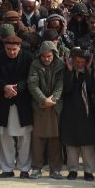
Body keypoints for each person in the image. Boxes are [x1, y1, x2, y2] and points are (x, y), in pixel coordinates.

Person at [0, 33, 34, 178]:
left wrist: (16, 88)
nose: (11, 52)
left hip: (22, 102)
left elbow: (30, 77)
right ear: (4, 47)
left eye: (14, 49)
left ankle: (24, 168)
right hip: (4, 100)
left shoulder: (28, 57)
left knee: (25, 137)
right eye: (8, 49)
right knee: (4, 136)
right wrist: (5, 87)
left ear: (19, 47)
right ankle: (7, 168)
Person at [27, 40, 64, 179]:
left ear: (54, 54)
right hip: (40, 106)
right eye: (44, 56)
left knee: (55, 139)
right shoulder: (34, 65)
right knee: (38, 139)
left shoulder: (61, 65)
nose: (46, 59)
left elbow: (60, 84)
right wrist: (43, 100)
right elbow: (32, 85)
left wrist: (53, 100)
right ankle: (36, 168)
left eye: (49, 56)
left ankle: (55, 169)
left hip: (55, 106)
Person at [60, 48, 95, 181]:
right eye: (77, 62)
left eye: (83, 62)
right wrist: (70, 71)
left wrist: (88, 70)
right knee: (71, 145)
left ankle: (88, 171)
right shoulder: (67, 71)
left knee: (88, 144)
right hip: (70, 112)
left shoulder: (91, 72)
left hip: (87, 113)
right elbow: (66, 89)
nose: (79, 64)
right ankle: (73, 170)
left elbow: (92, 88)